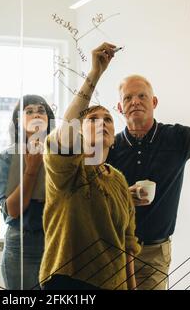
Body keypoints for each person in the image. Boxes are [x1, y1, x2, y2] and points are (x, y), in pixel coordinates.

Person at [107, 62, 190, 289]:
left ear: (154, 102)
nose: (135, 102)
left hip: (154, 254)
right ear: (120, 108)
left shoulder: (175, 137)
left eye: (142, 95)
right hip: (112, 249)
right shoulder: (109, 146)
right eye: (128, 98)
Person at [39, 43, 141, 290]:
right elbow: (68, 126)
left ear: (114, 137)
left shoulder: (117, 178)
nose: (101, 123)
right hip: (68, 282)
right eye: (92, 119)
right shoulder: (67, 170)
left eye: (107, 119)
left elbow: (127, 244)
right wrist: (95, 73)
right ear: (79, 132)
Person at [0, 95, 55, 290]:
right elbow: (12, 210)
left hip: (58, 242)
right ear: (19, 121)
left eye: (41, 110)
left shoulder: (62, 155)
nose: (36, 114)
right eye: (29, 111)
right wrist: (32, 169)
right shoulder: (6, 159)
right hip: (22, 246)